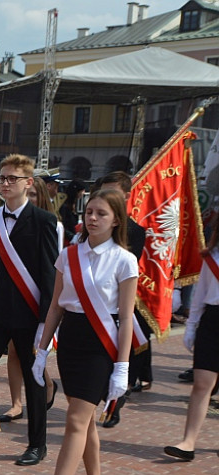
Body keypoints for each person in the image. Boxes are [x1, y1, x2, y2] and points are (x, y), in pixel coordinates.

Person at [29, 188, 138, 475]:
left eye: (101, 213)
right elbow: (56, 306)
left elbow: (126, 318)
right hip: (72, 341)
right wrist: (41, 350)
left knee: (75, 420)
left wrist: (122, 367)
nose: (92, 218)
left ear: (116, 219)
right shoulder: (69, 255)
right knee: (84, 416)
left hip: (101, 345)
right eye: (89, 212)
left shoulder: (124, 260)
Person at [0, 154, 59, 468]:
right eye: (2, 177)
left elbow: (49, 276)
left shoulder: (44, 221)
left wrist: (44, 324)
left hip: (28, 315)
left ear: (28, 183)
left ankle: (37, 444)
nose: (5, 183)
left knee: (34, 380)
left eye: (12, 178)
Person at [96, 171, 152, 429]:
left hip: (118, 302)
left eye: (113, 192)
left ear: (127, 196)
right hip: (94, 302)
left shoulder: (135, 231)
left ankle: (115, 404)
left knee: (120, 357)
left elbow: (126, 265)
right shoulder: (92, 224)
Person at [163, 228, 219, 461]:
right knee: (202, 383)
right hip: (212, 321)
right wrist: (192, 326)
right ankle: (188, 442)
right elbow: (199, 295)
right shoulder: (211, 256)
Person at [58, 180, 86, 244]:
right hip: (66, 240)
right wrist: (72, 237)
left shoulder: (75, 204)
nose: (84, 193)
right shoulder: (64, 206)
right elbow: (62, 225)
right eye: (82, 191)